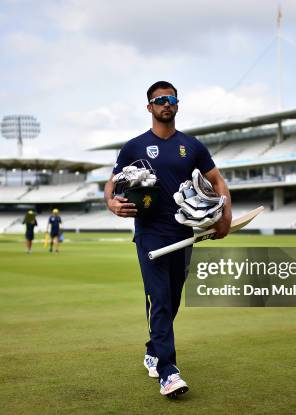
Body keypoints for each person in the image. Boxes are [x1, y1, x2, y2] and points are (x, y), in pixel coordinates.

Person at [104, 81, 231, 398]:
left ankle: (153, 349)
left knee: (172, 300)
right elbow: (112, 183)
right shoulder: (134, 147)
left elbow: (217, 181)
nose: (166, 103)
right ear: (149, 107)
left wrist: (225, 213)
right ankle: (168, 372)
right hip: (149, 234)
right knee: (160, 299)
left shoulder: (192, 146)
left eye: (171, 98)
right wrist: (111, 202)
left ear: (177, 104)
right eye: (159, 99)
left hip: (184, 234)